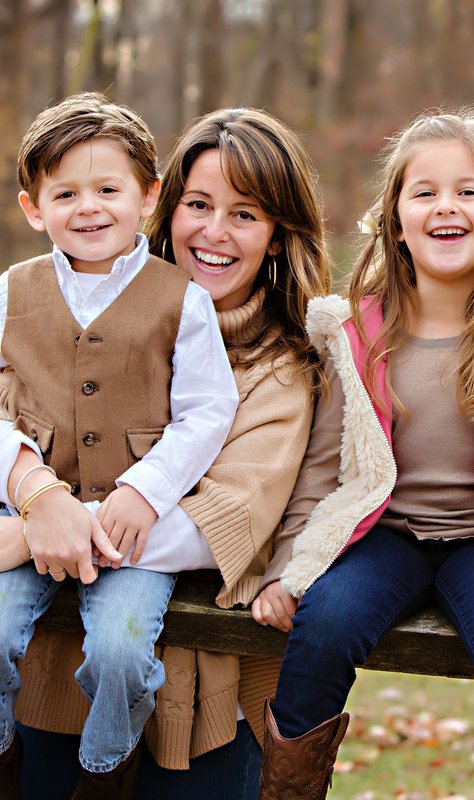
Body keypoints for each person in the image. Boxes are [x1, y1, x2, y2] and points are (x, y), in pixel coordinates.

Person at [250, 108, 474, 800]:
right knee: (324, 626)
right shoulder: (357, 328)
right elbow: (322, 464)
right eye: (425, 192)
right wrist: (289, 567)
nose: (446, 206)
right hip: (384, 536)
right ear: (395, 216)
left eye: (469, 191)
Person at [11, 107, 331, 798]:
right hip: (56, 672)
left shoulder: (281, 372)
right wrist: (34, 493)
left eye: (244, 214)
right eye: (199, 205)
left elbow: (224, 524)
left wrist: (39, 533)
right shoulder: (60, 312)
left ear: (277, 234)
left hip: (207, 696)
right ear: (166, 205)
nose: (215, 232)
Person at [0, 93, 239, 798]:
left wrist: (145, 490)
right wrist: (28, 487)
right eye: (65, 194)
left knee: (120, 653)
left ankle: (105, 768)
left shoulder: (182, 298)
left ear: (149, 196)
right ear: (33, 208)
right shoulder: (12, 292)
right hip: (30, 516)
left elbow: (207, 411)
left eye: (108, 189)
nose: (89, 208)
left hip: (132, 527)